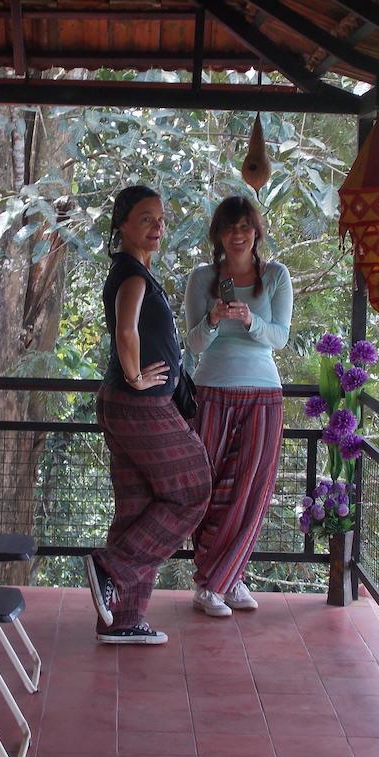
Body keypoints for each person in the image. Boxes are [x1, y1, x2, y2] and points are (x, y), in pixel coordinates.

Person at [85, 185, 212, 644]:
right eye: (145, 219)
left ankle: (122, 619)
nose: (157, 226)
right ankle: (109, 568)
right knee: (194, 488)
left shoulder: (135, 271)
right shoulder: (133, 276)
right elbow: (125, 330)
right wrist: (136, 374)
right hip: (139, 404)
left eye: (160, 218)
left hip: (127, 405)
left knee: (137, 506)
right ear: (122, 225)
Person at [183, 196, 293, 617]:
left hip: (263, 393)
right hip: (210, 390)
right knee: (206, 486)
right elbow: (192, 344)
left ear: (257, 231)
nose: (238, 234)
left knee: (251, 488)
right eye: (230, 227)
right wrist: (212, 321)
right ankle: (213, 580)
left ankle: (226, 580)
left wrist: (251, 320)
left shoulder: (277, 276)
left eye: (246, 226)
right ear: (218, 235)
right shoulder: (202, 278)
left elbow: (280, 337)